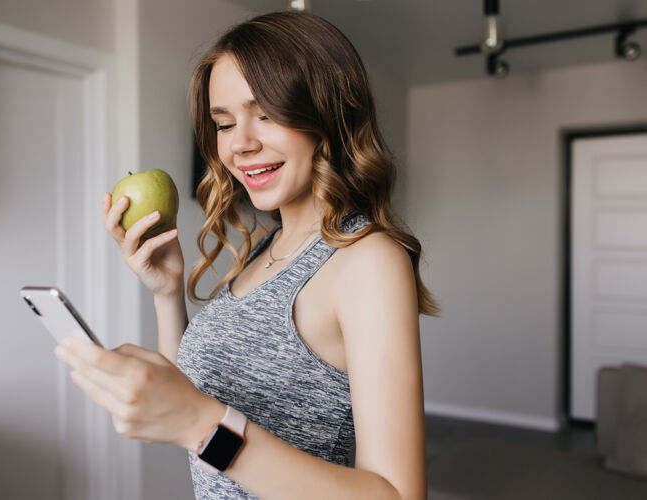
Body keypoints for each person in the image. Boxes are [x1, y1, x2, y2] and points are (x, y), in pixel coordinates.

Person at [54, 10, 439, 500]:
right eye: (224, 123)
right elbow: (195, 417)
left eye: (267, 114)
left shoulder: (366, 259)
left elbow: (398, 495)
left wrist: (202, 423)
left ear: (327, 113)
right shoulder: (265, 248)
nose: (240, 144)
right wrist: (166, 293)